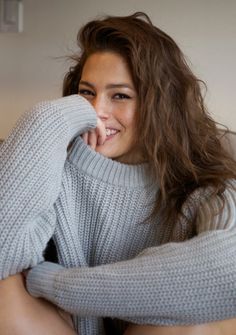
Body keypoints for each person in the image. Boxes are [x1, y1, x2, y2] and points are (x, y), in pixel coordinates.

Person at [0, 11, 236, 335]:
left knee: (189, 325)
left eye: (120, 95)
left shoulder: (203, 181)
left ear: (160, 105)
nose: (97, 112)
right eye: (86, 93)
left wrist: (59, 285)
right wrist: (49, 119)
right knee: (4, 294)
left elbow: (226, 271)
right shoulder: (53, 163)